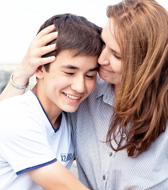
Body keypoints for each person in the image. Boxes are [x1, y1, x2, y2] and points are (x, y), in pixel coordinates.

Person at [1, 0, 168, 189]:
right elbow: (8, 120)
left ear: (144, 64)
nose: (101, 59)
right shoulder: (82, 93)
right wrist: (21, 74)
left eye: (116, 55)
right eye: (104, 44)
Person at [0, 13, 102, 190]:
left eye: (90, 75)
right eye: (69, 73)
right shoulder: (16, 117)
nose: (80, 86)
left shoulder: (69, 120)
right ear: (39, 68)